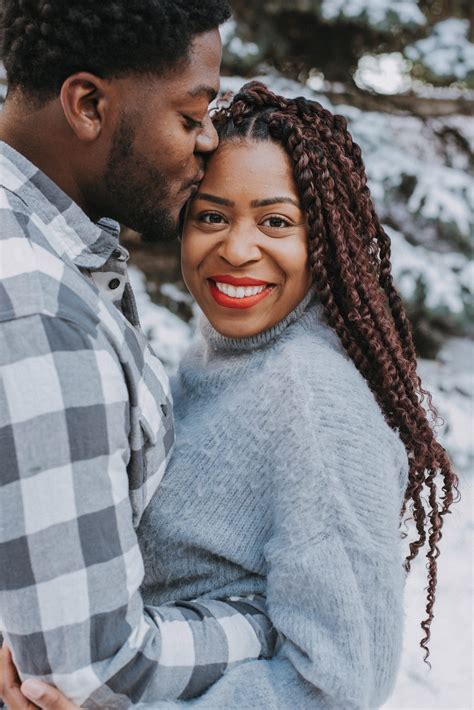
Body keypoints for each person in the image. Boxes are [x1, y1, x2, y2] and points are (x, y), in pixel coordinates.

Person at [1, 81, 459, 709]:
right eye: (212, 216)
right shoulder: (215, 363)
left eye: (276, 221)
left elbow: (339, 686)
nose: (238, 250)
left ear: (322, 239)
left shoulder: (315, 400)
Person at [0, 4, 278, 708]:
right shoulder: (40, 309)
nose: (209, 142)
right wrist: (270, 622)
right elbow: (91, 674)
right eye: (190, 116)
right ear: (89, 104)